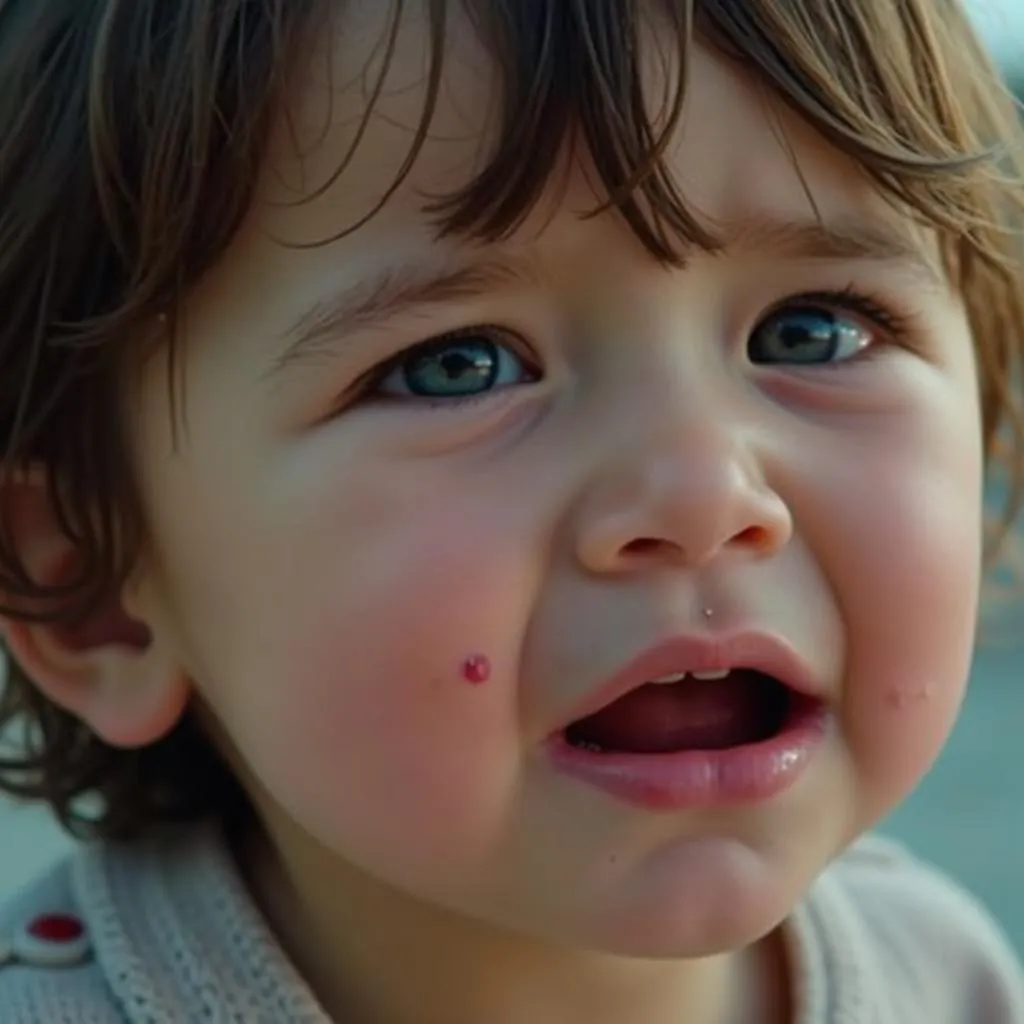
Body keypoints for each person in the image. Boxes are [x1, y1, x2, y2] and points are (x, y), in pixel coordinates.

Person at [0, 0, 1021, 1020]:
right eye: (458, 367)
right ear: (91, 586)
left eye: (810, 333)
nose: (705, 492)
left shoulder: (949, 978)